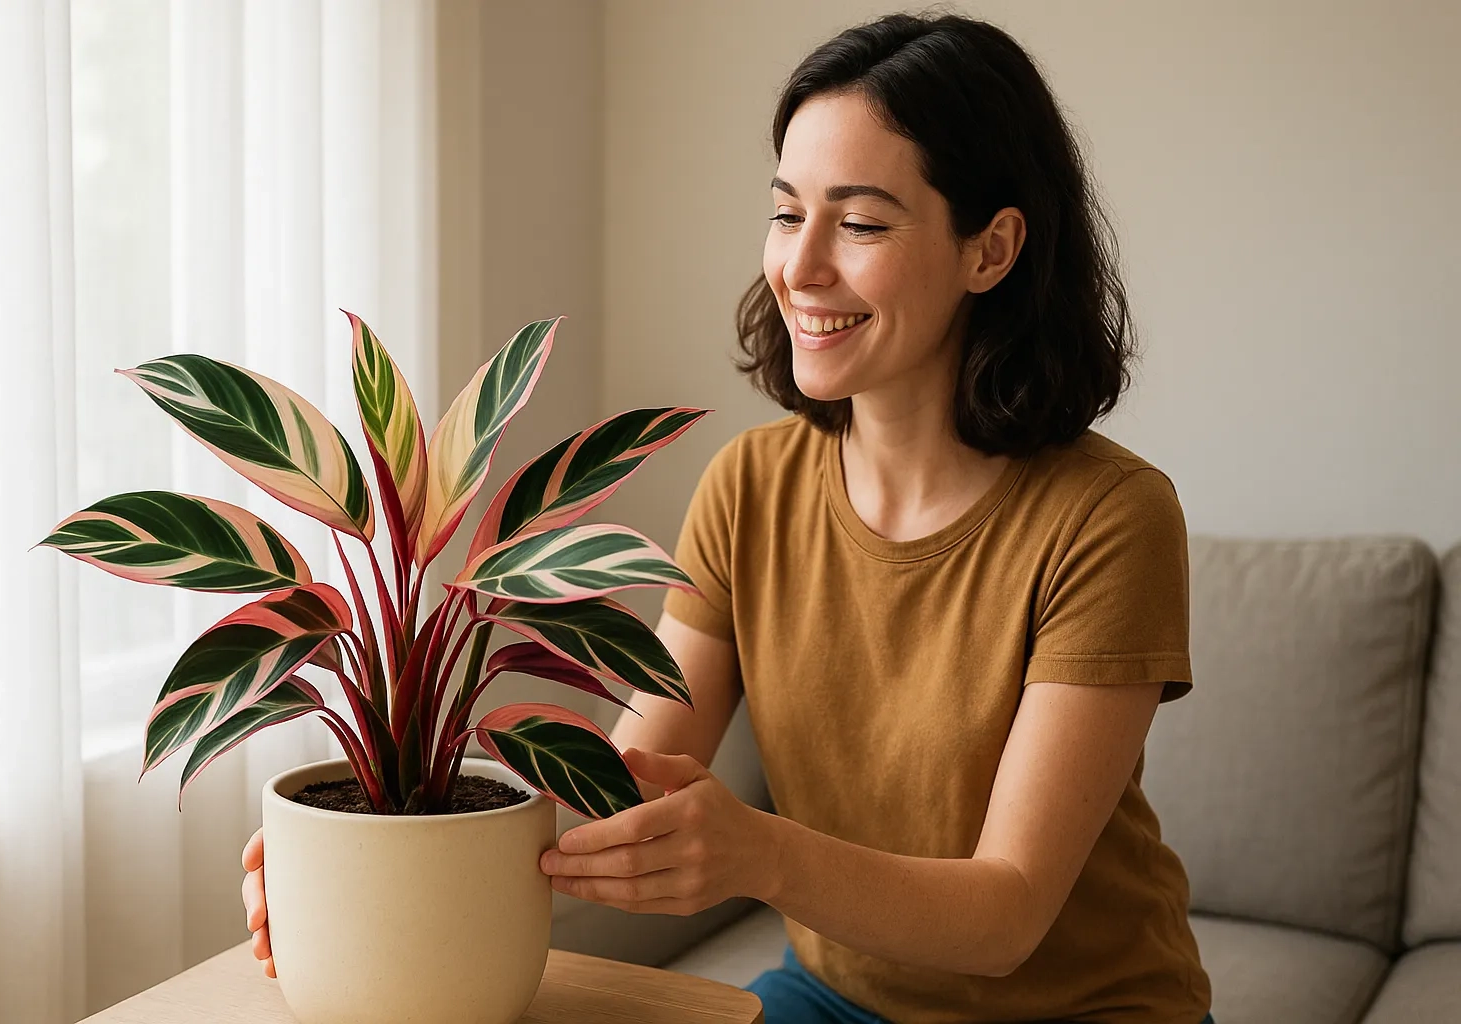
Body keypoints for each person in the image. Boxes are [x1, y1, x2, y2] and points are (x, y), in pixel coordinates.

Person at [243, 11, 1215, 1023]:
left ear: (992, 248)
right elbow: (620, 792)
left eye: (864, 222)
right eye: (790, 213)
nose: (800, 267)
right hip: (835, 998)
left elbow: (1006, 915)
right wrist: (370, 837)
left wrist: (757, 851)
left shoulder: (1111, 519)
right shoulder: (751, 486)